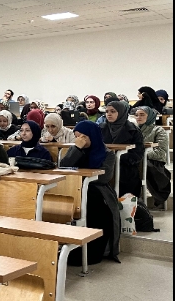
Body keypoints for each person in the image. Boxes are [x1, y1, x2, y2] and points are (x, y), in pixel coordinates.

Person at [60, 121, 119, 265]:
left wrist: (82, 178)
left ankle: (93, 251)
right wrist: (77, 149)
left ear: (93, 136)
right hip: (73, 188)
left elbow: (104, 177)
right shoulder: (76, 149)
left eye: (84, 137)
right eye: (77, 137)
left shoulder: (107, 154)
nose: (80, 140)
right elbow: (63, 167)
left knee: (94, 202)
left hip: (98, 191)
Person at [101, 101, 145, 196]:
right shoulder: (100, 128)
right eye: (107, 111)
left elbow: (138, 154)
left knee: (126, 183)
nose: (109, 114)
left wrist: (118, 158)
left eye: (113, 111)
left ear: (121, 112)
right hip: (103, 167)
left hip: (125, 168)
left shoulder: (133, 130)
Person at [134, 107, 171, 207]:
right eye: (137, 115)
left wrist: (141, 153)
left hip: (153, 161)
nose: (138, 117)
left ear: (150, 116)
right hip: (136, 160)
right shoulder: (132, 130)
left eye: (142, 115)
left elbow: (161, 152)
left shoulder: (158, 130)